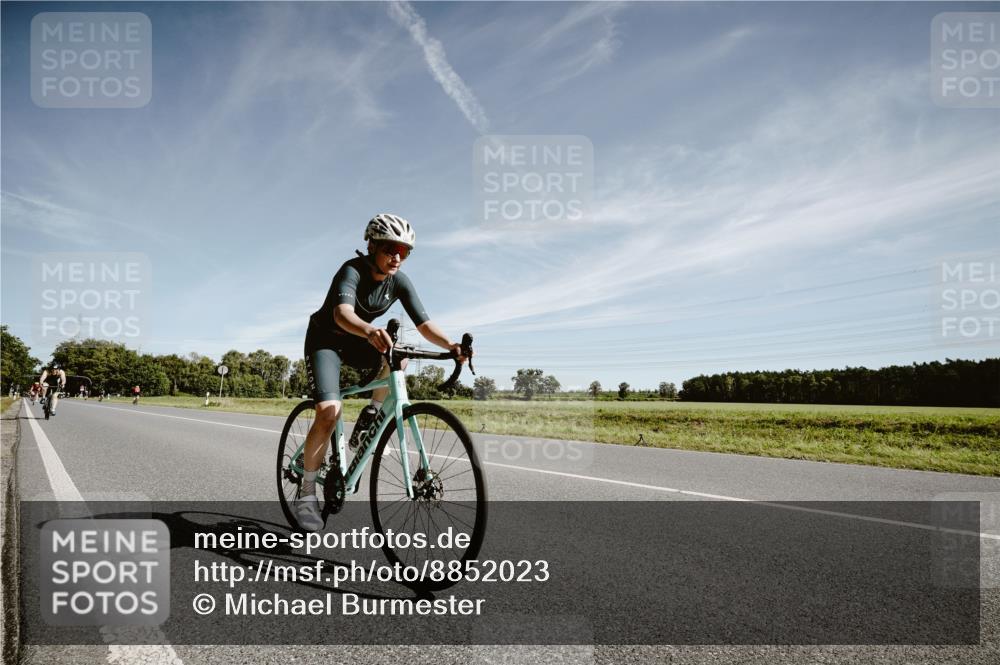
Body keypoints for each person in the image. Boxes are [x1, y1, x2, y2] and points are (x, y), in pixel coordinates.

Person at [296, 213, 468, 531]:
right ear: (372, 245)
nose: (398, 258)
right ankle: (306, 494)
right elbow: (341, 313)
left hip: (361, 341)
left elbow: (424, 323)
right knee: (329, 411)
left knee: (398, 361)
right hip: (327, 341)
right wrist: (369, 330)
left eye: (405, 252)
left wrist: (451, 345)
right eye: (391, 249)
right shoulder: (352, 270)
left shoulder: (398, 281)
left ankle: (370, 416)